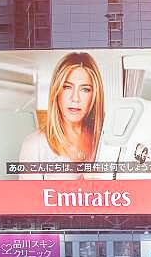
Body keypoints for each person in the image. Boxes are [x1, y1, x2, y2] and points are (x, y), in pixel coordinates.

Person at [19, 51, 106, 180]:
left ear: (94, 95)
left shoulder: (103, 141)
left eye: (85, 89)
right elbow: (27, 200)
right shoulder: (34, 145)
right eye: (67, 87)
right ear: (56, 91)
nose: (75, 98)